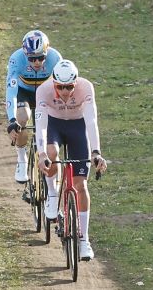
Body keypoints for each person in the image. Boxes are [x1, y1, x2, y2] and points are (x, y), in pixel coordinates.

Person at [33, 58, 107, 259]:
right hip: (54, 125)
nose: (65, 92)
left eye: (69, 87)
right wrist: (41, 155)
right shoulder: (43, 90)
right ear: (54, 83)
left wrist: (96, 152)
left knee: (81, 186)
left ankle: (84, 240)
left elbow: (91, 121)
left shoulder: (86, 88)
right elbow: (41, 124)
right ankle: (53, 194)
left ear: (76, 82)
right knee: (51, 154)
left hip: (77, 127)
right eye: (61, 87)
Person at [4, 28, 65, 187]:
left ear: (47, 52)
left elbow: (62, 89)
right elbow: (11, 91)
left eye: (40, 58)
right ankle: (22, 158)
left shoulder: (56, 58)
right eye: (32, 59)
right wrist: (12, 119)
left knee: (45, 127)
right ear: (25, 55)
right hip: (25, 92)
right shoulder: (16, 59)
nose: (36, 62)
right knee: (22, 117)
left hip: (45, 92)